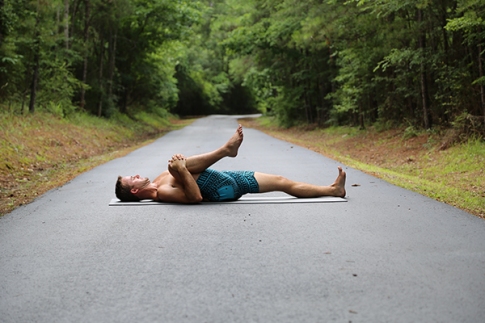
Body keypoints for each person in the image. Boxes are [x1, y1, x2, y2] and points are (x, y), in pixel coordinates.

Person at [115, 124, 346, 203]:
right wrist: (182, 170)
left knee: (281, 181)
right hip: (221, 190)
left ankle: (333, 190)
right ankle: (226, 150)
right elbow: (195, 198)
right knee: (173, 167)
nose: (136, 174)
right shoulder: (162, 193)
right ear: (135, 190)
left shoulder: (157, 180)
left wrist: (180, 168)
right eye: (132, 178)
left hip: (224, 176)